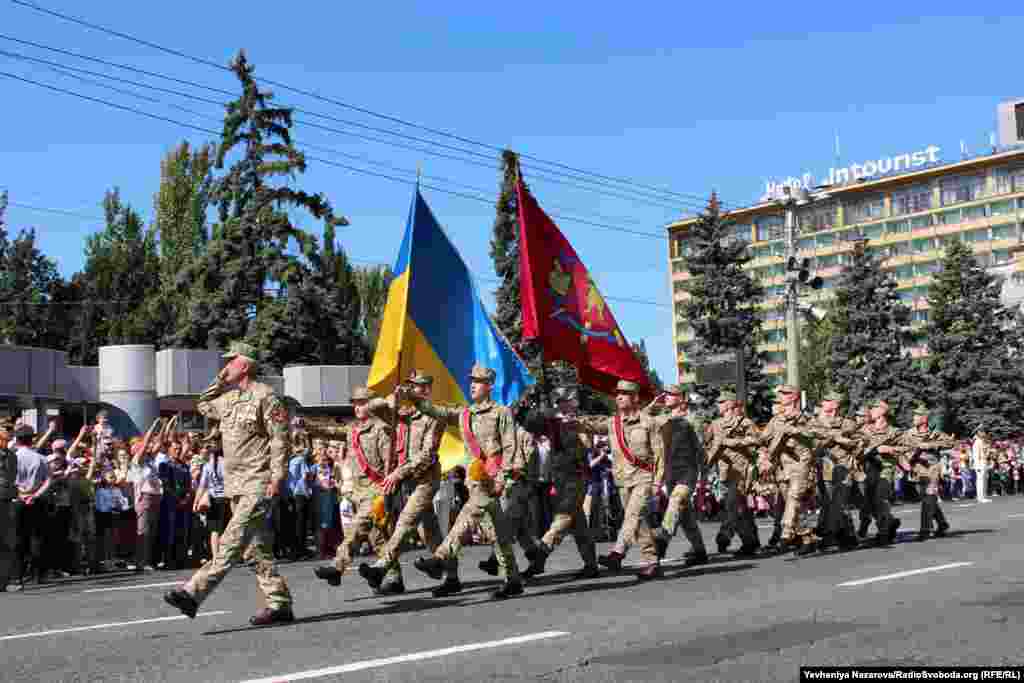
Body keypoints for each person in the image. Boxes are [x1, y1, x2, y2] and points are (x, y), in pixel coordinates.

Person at [165, 341, 294, 626]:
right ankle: (279, 603)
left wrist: (277, 476)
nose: (225, 366)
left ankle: (192, 593)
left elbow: (280, 439)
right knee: (254, 549)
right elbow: (202, 404)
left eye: (230, 361)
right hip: (235, 485)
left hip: (258, 482)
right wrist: (219, 380)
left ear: (244, 365)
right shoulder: (228, 399)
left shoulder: (267, 397)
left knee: (231, 540)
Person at [408, 364, 524, 599]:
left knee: (467, 515)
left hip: (493, 480)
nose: (472, 384)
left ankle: (440, 558)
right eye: (471, 380)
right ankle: (513, 579)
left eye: (478, 381)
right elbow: (436, 411)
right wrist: (413, 398)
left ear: (489, 386)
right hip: (474, 481)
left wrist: (504, 478)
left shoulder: (501, 412)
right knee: (498, 534)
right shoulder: (465, 414)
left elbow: (511, 446)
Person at [357, 372, 458, 595]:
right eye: (414, 386)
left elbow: (427, 455)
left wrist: (398, 473)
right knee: (429, 531)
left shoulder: (434, 415)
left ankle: (381, 567)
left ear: (429, 390)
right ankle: (451, 576)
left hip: (425, 478)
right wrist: (393, 397)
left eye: (422, 387)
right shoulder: (403, 414)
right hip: (407, 481)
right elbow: (373, 408)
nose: (418, 390)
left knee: (405, 521)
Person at [576, 380, 664, 580]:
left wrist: (658, 482)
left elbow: (660, 455)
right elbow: (591, 424)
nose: (619, 397)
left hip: (644, 478)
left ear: (635, 398)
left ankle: (617, 553)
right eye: (617, 394)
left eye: (624, 394)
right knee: (638, 522)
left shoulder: (649, 422)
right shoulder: (612, 423)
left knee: (632, 516)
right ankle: (652, 562)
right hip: (623, 480)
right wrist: (572, 421)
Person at [313, 387, 395, 592]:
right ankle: (393, 578)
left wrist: (386, 494)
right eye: (355, 403)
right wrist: (304, 424)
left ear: (372, 405)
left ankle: (337, 566)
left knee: (355, 530)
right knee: (378, 538)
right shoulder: (353, 429)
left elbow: (390, 465)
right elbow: (329, 430)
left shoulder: (382, 429)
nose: (357, 407)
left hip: (376, 491)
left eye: (362, 403)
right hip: (358, 492)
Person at [515, 387, 600, 579]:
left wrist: (574, 425)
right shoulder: (553, 422)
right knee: (578, 524)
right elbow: (533, 424)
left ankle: (541, 553)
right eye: (558, 401)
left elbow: (588, 446)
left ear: (574, 402)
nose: (561, 403)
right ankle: (591, 565)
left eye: (565, 400)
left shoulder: (581, 422)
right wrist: (524, 410)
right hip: (561, 479)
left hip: (577, 477)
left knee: (563, 518)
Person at [647, 385, 708, 567]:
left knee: (676, 500)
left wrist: (703, 477)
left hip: (687, 471)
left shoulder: (692, 419)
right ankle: (700, 551)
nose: (666, 396)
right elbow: (640, 419)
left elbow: (700, 449)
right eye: (665, 393)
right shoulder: (662, 419)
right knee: (686, 516)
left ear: (681, 398)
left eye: (671, 394)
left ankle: (663, 538)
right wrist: (652, 406)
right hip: (669, 473)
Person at [760, 385, 817, 556]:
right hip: (782, 467)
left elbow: (815, 435)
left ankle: (786, 533)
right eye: (781, 394)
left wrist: (793, 431)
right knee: (796, 505)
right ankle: (807, 537)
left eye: (785, 394)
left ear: (794, 397)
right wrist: (764, 457)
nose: (782, 397)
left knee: (794, 497)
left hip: (802, 464)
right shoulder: (776, 420)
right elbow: (762, 441)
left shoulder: (805, 418)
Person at [705, 390, 761, 557]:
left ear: (729, 404)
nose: (719, 405)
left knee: (734, 505)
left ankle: (734, 539)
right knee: (739, 508)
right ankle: (750, 539)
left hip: (741, 471)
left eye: (722, 403)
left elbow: (757, 441)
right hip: (724, 471)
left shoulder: (744, 423)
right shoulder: (715, 424)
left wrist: (735, 442)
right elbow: (707, 445)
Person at [809, 391, 861, 552]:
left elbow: (862, 440)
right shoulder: (813, 423)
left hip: (843, 468)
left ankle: (842, 535)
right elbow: (809, 443)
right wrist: (828, 439)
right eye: (824, 400)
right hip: (822, 466)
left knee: (839, 503)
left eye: (827, 400)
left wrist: (851, 447)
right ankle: (835, 533)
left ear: (835, 405)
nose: (823, 402)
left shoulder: (847, 424)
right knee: (827, 502)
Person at [902, 405, 955, 541]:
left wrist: (931, 445)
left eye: (917, 415)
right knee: (927, 498)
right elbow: (903, 448)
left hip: (932, 468)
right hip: (917, 469)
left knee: (928, 498)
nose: (914, 418)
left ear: (925, 418)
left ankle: (925, 529)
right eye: (914, 415)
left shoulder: (935, 433)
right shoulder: (909, 433)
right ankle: (942, 524)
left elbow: (950, 442)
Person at [861, 399, 908, 546]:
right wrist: (875, 450)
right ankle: (891, 522)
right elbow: (858, 449)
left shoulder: (894, 432)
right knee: (869, 503)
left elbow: (907, 446)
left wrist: (891, 449)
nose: (871, 410)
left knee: (880, 499)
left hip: (885, 469)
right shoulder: (865, 430)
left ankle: (883, 533)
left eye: (874, 408)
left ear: (882, 411)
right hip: (868, 469)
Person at [14, 423, 53, 585]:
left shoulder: (12, 457)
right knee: (38, 537)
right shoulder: (41, 458)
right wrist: (35, 494)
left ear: (17, 439)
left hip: (18, 500)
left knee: (19, 537)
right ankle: (39, 574)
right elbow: (48, 480)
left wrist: (22, 494)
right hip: (37, 500)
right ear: (31, 440)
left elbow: (10, 481)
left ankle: (18, 575)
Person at [1, 417, 19, 591]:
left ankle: (3, 582)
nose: (9, 431)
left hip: (7, 501)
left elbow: (12, 479)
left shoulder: (12, 456)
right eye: (5, 428)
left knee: (7, 543)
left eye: (11, 429)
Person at [972, 428, 992, 503]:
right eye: (983, 432)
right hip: (980, 463)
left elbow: (984, 453)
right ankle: (980, 497)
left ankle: (984, 496)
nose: (984, 433)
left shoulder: (982, 441)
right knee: (980, 480)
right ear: (979, 433)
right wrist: (977, 465)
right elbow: (976, 455)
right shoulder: (977, 442)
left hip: (984, 462)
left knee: (984, 480)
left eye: (984, 432)